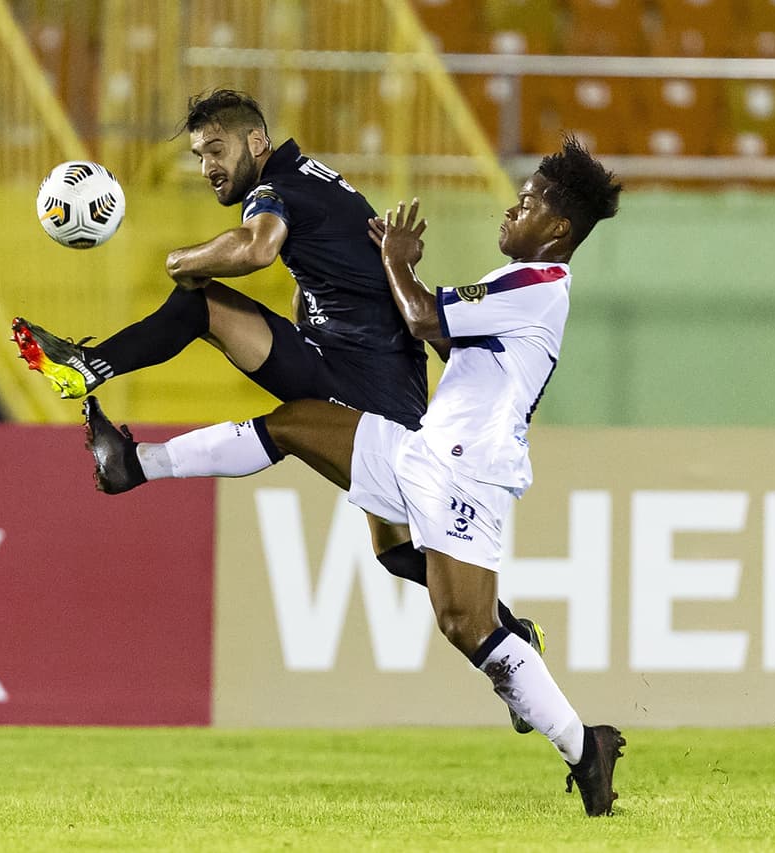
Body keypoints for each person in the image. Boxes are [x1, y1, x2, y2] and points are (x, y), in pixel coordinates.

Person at [82, 138, 627, 816]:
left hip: (470, 476)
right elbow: (446, 340)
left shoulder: (537, 286)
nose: (513, 210)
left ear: (559, 230)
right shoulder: (523, 287)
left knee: (465, 624)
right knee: (296, 423)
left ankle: (584, 743)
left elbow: (425, 314)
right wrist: (406, 280)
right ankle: (133, 463)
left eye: (529, 203)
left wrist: (397, 264)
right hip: (426, 453)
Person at [13, 88, 546, 730]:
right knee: (395, 550)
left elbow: (256, 249)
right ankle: (514, 643)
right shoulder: (309, 180)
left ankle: (511, 644)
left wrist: (179, 260)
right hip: (347, 366)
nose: (207, 164)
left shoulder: (277, 189)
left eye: (216, 149)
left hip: (369, 391)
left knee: (200, 300)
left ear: (256, 143)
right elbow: (328, 274)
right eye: (197, 154)